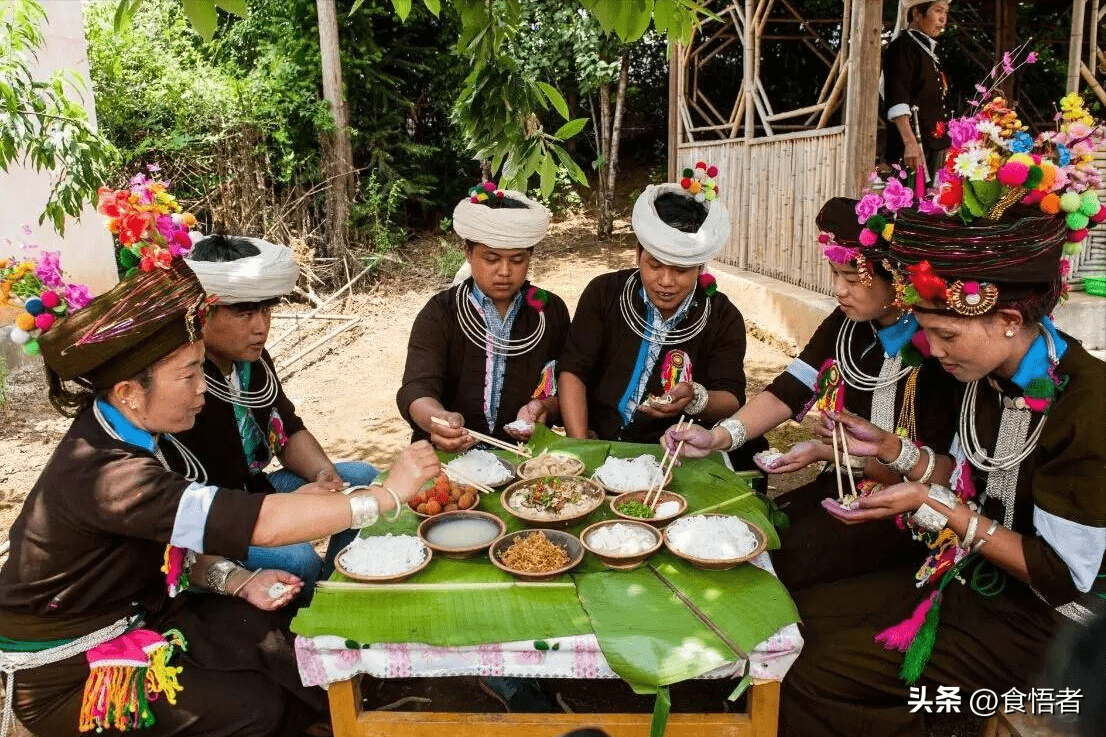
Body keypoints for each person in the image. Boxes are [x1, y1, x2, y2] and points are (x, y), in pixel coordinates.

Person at [778, 93, 1106, 736]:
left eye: (949, 338)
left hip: (1046, 630)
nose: (938, 351)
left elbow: (1063, 574)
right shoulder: (988, 371)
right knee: (796, 620)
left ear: (1011, 320)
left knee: (811, 674)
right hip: (966, 572)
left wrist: (942, 509)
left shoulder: (1087, 406)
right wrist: (891, 451)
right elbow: (970, 471)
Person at [0, 258, 439, 737]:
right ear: (128, 392)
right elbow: (253, 521)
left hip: (141, 617)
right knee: (256, 707)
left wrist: (235, 580)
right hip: (72, 671)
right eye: (188, 377)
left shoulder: (133, 435)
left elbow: (166, 547)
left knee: (275, 636)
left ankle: (343, 715)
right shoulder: (108, 473)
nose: (200, 393)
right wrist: (384, 496)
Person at [663, 196, 960, 590]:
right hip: (842, 486)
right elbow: (790, 390)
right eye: (834, 274)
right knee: (748, 531)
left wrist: (828, 453)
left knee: (774, 564)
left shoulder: (942, 351)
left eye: (852, 280)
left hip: (911, 515)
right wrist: (717, 437)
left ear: (898, 278)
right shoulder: (846, 325)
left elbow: (944, 473)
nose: (838, 290)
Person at [181, 234, 376, 589]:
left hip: (258, 489)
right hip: (217, 520)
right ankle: (314, 597)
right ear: (202, 313)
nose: (261, 327)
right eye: (245, 313)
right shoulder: (182, 378)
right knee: (297, 558)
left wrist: (323, 475)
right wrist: (278, 508)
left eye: (266, 310)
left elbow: (286, 429)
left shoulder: (251, 360)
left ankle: (333, 586)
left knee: (363, 479)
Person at [558, 164, 763, 463]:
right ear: (638, 254)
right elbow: (573, 370)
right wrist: (581, 448)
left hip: (673, 455)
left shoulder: (723, 316)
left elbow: (731, 398)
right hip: (596, 441)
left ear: (700, 267)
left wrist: (695, 398)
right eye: (654, 265)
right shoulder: (604, 293)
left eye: (681, 269)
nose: (666, 282)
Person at [398, 184, 570, 451]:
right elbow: (417, 389)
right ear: (467, 253)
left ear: (530, 256)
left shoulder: (549, 311)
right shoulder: (441, 312)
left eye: (517, 260)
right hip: (448, 459)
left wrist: (543, 407)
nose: (504, 271)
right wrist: (438, 421)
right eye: (491, 259)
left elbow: (563, 385)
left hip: (523, 458)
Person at [881, 0, 951, 180]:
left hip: (932, 145)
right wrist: (910, 143)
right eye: (938, 11)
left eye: (945, 12)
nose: (943, 18)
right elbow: (898, 98)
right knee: (909, 204)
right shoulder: (902, 47)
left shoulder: (928, 50)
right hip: (912, 150)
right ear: (917, 14)